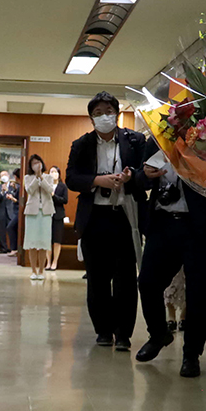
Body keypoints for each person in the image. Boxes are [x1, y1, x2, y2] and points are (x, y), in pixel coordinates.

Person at [65, 92, 146, 351]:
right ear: (91, 118)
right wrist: (96, 181)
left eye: (108, 111)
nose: (104, 117)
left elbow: (147, 176)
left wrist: (130, 176)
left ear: (117, 114)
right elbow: (71, 178)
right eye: (98, 113)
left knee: (125, 278)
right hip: (94, 218)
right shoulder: (82, 144)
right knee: (98, 279)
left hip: (125, 216)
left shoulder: (135, 141)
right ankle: (103, 330)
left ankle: (123, 334)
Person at [134, 142, 206, 378]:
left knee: (199, 293)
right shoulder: (156, 135)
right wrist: (146, 175)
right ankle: (159, 334)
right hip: (163, 222)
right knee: (148, 282)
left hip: (199, 225)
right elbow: (140, 181)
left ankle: (192, 354)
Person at [23, 155, 55, 280]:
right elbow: (30, 190)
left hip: (46, 212)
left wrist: (41, 176)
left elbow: (50, 190)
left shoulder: (48, 177)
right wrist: (36, 178)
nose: (36, 165)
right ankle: (33, 270)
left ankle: (41, 270)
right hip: (32, 212)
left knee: (43, 242)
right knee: (32, 242)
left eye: (38, 162)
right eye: (33, 163)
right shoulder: (28, 177)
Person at [47, 165, 68, 270]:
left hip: (58, 215)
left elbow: (65, 200)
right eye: (51, 171)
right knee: (47, 240)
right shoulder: (46, 185)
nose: (53, 173)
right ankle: (48, 262)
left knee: (57, 240)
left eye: (55, 171)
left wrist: (53, 196)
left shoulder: (62, 186)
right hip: (47, 215)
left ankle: (55, 262)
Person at [0, 169, 19, 254]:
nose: (4, 177)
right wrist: (3, 191)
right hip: (1, 211)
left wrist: (8, 190)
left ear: (8, 176)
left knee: (12, 229)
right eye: (2, 175)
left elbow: (16, 196)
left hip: (11, 211)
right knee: (1, 231)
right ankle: (3, 248)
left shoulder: (14, 186)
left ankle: (13, 248)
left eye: (5, 175)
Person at [6, 169, 20, 257]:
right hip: (16, 211)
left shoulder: (23, 186)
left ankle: (14, 249)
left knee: (10, 227)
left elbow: (19, 201)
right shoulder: (18, 186)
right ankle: (14, 248)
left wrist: (12, 198)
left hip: (19, 211)